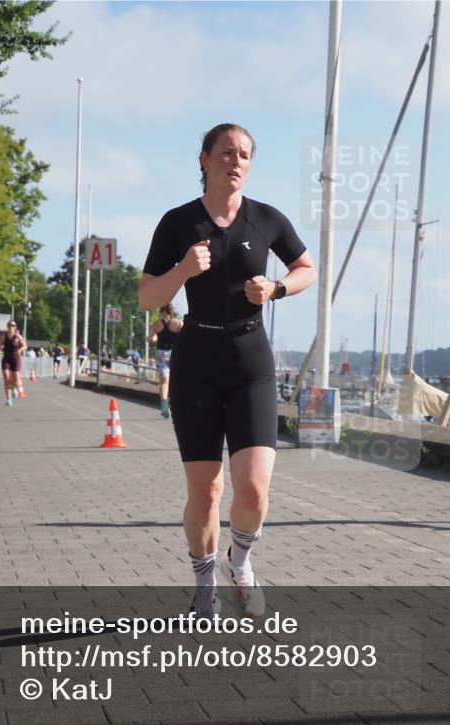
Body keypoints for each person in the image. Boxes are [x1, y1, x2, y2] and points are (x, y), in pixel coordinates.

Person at [139, 123, 315, 617]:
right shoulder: (178, 223)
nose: (235, 162)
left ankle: (241, 562)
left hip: (251, 359)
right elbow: (147, 296)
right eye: (225, 153)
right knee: (206, 489)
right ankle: (203, 584)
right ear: (204, 159)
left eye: (244, 155)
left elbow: (307, 268)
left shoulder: (266, 218)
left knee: (255, 488)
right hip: (197, 360)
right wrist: (182, 273)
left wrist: (277, 289)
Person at [149, 303, 183, 418]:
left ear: (161, 311)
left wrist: (155, 338)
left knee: (164, 381)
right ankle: (177, 404)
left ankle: (164, 404)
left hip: (161, 353)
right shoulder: (178, 323)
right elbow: (185, 338)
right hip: (175, 353)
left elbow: (150, 338)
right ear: (171, 312)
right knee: (176, 380)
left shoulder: (156, 324)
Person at [0, 320, 26, 406]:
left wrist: (20, 350)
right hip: (6, 358)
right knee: (6, 377)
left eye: (13, 325)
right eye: (9, 325)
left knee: (16, 376)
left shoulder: (18, 337)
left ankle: (14, 388)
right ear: (7, 326)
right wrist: (0, 348)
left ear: (15, 327)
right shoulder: (4, 336)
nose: (11, 327)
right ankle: (9, 399)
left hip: (16, 359)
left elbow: (25, 346)